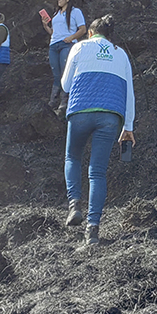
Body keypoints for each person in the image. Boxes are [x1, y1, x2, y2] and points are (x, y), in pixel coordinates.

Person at [60, 16, 136, 246]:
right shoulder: (121, 54)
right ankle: (92, 230)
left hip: (81, 110)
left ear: (90, 33)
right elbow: (129, 93)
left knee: (73, 156)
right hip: (111, 116)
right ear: (109, 35)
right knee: (97, 172)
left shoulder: (79, 46)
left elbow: (65, 85)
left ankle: (74, 205)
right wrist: (128, 127)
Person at [41, 0, 87, 114]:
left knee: (65, 72)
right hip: (54, 45)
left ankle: (64, 101)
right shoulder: (56, 14)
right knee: (56, 73)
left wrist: (71, 38)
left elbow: (83, 29)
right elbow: (54, 33)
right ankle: (53, 100)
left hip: (67, 45)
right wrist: (46, 26)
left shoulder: (75, 12)